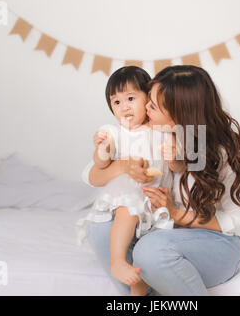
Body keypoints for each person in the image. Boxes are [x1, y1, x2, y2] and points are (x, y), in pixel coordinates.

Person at [83, 65, 240, 296]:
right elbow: (91, 175)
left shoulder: (213, 152)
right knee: (101, 228)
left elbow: (236, 220)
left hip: (209, 243)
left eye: (152, 105)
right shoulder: (148, 135)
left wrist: (175, 213)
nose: (143, 107)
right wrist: (124, 166)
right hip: (162, 233)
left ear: (179, 113)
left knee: (150, 250)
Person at [76, 66, 179, 296]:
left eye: (131, 98)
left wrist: (174, 155)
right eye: (117, 102)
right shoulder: (115, 132)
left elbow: (176, 164)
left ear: (148, 100)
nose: (125, 107)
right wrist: (103, 148)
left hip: (157, 198)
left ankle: (138, 288)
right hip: (129, 194)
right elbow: (99, 165)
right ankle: (117, 260)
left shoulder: (161, 130)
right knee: (128, 208)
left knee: (151, 247)